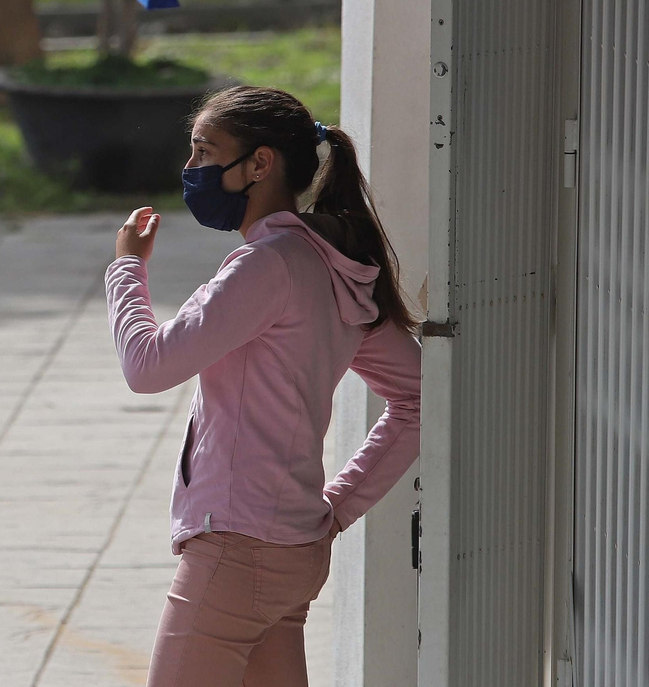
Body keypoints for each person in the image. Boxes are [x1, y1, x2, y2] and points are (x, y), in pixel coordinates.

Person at [107, 86, 422, 687]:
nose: (190, 170)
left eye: (204, 152)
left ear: (260, 163)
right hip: (292, 551)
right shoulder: (328, 264)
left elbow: (146, 367)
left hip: (237, 549)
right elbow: (417, 394)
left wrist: (127, 267)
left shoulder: (266, 266)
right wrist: (337, 509)